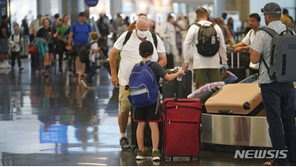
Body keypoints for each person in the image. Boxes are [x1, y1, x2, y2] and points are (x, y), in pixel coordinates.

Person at [108, 15, 167, 150]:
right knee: (124, 108)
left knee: (147, 113)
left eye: (146, 29)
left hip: (148, 84)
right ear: (136, 26)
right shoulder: (126, 36)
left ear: (149, 27)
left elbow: (163, 59)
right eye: (141, 29)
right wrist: (113, 74)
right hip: (127, 82)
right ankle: (123, 136)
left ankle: (145, 144)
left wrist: (152, 69)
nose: (143, 31)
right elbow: (112, 54)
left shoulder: (155, 38)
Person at [250, 2, 296, 165]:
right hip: (289, 83)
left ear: (268, 16)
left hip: (269, 83)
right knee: (289, 121)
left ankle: (280, 160)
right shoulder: (289, 31)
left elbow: (254, 59)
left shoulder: (262, 33)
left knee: (275, 122)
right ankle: (292, 158)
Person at [133, 41, 185, 161]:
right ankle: (155, 152)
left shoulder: (137, 66)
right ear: (152, 52)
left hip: (139, 99)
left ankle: (140, 152)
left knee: (140, 124)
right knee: (153, 123)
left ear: (139, 53)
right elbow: (168, 77)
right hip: (152, 100)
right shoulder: (155, 65)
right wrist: (179, 73)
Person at [183, 8, 228, 89]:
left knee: (200, 87)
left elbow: (186, 44)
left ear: (197, 16)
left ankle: (202, 102)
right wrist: (224, 61)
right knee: (216, 87)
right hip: (214, 62)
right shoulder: (216, 27)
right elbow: (222, 46)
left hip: (199, 62)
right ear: (207, 15)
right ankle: (214, 101)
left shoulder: (194, 27)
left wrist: (186, 61)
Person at [67, 12, 93, 85]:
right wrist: (69, 44)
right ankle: (77, 72)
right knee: (78, 58)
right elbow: (70, 34)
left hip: (85, 45)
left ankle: (82, 73)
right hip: (77, 44)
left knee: (84, 59)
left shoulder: (88, 25)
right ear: (79, 17)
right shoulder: (74, 25)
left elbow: (91, 34)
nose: (83, 18)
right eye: (82, 17)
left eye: (84, 17)